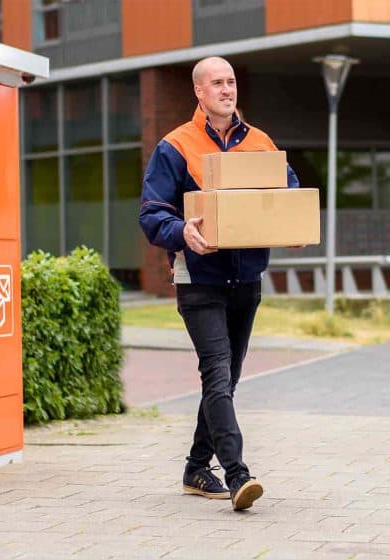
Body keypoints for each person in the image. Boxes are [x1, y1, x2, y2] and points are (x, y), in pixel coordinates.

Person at [139, 56, 299, 511]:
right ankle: (237, 474)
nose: (227, 90)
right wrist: (181, 232)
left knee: (226, 380)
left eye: (231, 82)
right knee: (216, 372)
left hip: (246, 280)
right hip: (199, 278)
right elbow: (152, 214)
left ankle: (195, 467)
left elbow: (287, 196)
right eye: (217, 83)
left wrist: (292, 227)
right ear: (199, 92)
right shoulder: (176, 146)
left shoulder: (262, 144)